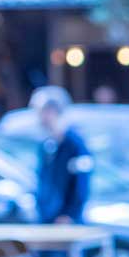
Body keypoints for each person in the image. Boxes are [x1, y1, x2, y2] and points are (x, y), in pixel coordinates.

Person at [29, 86, 92, 225]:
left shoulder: (75, 145)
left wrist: (70, 214)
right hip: (47, 220)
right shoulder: (46, 144)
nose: (38, 118)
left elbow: (82, 183)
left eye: (40, 112)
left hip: (66, 222)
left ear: (52, 111)